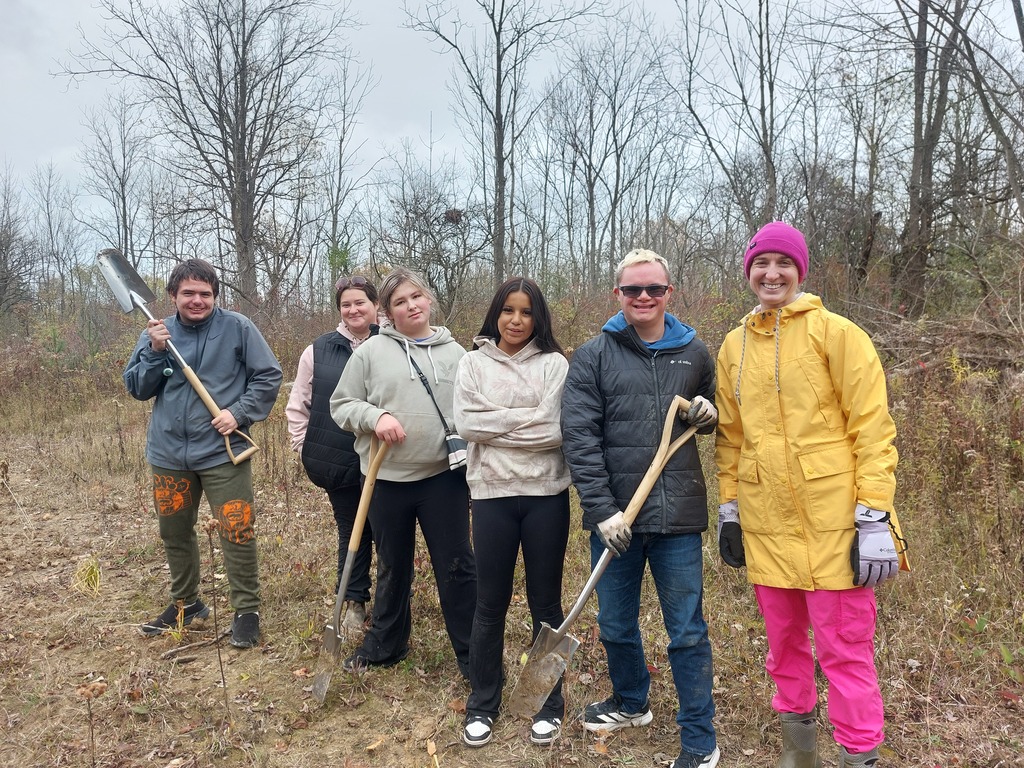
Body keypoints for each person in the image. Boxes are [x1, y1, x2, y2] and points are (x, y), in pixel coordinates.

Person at [714, 221, 909, 768]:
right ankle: (799, 760)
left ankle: (858, 757)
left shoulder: (839, 334)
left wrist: (873, 518)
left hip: (836, 528)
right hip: (766, 527)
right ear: (749, 271)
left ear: (801, 271)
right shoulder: (734, 346)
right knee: (785, 653)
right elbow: (731, 437)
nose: (771, 274)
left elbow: (872, 428)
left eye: (783, 264)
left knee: (845, 653)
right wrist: (729, 510)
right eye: (761, 264)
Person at [561, 249, 721, 768]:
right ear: (618, 295)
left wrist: (709, 413)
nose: (644, 297)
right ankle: (632, 703)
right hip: (616, 522)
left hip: (676, 519)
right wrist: (603, 510)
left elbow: (713, 415)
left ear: (669, 292)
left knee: (687, 630)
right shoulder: (594, 355)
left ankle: (700, 738)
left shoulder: (694, 352)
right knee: (615, 624)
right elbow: (579, 437)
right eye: (633, 290)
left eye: (654, 288)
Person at [124, 258, 282, 648]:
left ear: (215, 296)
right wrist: (157, 352)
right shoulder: (156, 333)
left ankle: (247, 610)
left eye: (205, 294)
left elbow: (268, 376)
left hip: (221, 454)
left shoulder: (238, 328)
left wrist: (238, 413)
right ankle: (186, 604)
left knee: (237, 528)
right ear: (173, 295)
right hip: (168, 454)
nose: (197, 301)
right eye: (189, 293)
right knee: (174, 532)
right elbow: (138, 388)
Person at [330, 267, 476, 676]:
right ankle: (387, 644)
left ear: (428, 300)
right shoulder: (371, 353)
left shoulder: (458, 355)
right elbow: (341, 405)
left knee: (458, 566)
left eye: (416, 297)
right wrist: (375, 417)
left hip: (442, 479)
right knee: (393, 565)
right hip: (385, 479)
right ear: (387, 313)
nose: (411, 305)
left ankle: (471, 653)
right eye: (399, 302)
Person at [453, 277, 572, 748]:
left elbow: (554, 429)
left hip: (546, 496)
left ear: (537, 317)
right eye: (508, 310)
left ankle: (549, 703)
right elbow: (467, 423)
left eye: (525, 312)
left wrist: (496, 425)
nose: (516, 320)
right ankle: (484, 702)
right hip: (491, 496)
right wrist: (523, 420)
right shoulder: (471, 363)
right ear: (495, 313)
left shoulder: (554, 364)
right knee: (490, 602)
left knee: (546, 604)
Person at [286, 275, 381, 632]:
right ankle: (354, 602)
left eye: (361, 302)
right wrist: (304, 445)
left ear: (376, 306)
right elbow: (299, 403)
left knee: (387, 532)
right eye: (346, 304)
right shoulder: (319, 349)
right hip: (338, 459)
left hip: (384, 459)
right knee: (351, 531)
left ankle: (392, 602)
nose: (354, 310)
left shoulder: (392, 341)